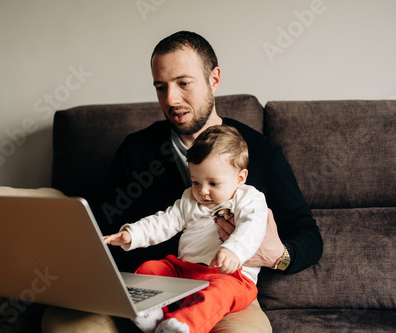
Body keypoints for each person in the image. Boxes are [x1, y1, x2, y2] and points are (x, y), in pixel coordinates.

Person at [42, 31, 323, 333]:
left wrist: (277, 256)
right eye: (161, 87)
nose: (171, 99)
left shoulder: (259, 152)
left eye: (183, 83)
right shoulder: (136, 150)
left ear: (214, 79)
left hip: (221, 284)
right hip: (147, 285)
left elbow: (308, 236)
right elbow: (103, 224)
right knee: (65, 326)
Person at [104, 125, 268, 333]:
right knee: (150, 269)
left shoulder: (248, 199)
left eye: (213, 183)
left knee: (218, 292)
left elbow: (252, 226)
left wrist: (233, 250)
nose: (203, 191)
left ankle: (183, 326)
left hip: (229, 276)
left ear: (240, 178)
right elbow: (165, 221)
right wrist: (132, 234)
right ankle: (151, 316)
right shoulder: (190, 198)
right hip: (184, 271)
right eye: (196, 182)